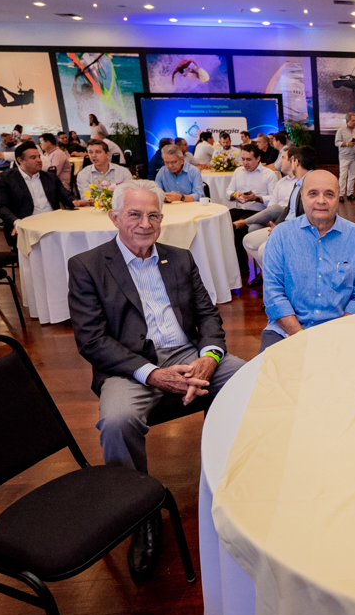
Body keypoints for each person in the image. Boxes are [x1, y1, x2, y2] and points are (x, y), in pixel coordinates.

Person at [67, 180, 245, 580]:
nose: (145, 224)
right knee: (117, 422)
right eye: (134, 214)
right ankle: (139, 513)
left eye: (153, 215)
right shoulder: (87, 266)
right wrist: (153, 374)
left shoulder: (179, 258)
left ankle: (236, 477)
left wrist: (210, 357)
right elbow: (92, 340)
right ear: (114, 217)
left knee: (249, 379)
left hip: (187, 354)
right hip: (129, 367)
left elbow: (208, 316)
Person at [260, 170, 355, 352]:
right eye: (313, 193)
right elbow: (273, 293)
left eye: (329, 194)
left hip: (342, 330)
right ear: (301, 197)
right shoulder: (280, 236)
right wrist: (301, 337)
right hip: (286, 332)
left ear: (338, 197)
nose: (321, 200)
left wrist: (338, 334)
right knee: (271, 370)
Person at [0, 141, 88, 245]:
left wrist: (75, 201)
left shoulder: (50, 177)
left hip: (53, 223)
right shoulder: (6, 178)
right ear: (20, 160)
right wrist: (17, 222)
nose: (39, 160)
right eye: (33, 158)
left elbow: (66, 196)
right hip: (26, 225)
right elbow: (0, 206)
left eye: (39, 157)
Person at [242, 145, 315, 272]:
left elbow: (309, 218)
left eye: (283, 158)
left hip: (296, 232)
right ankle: (272, 276)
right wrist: (277, 226)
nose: (280, 161)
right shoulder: (297, 182)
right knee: (248, 241)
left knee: (264, 249)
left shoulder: (310, 183)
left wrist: (281, 230)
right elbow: (288, 210)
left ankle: (279, 277)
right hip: (284, 225)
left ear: (295, 162)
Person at [227, 143, 277, 278]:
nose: (245, 163)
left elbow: (274, 199)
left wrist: (256, 198)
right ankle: (229, 265)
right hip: (240, 209)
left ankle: (242, 268)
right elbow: (228, 192)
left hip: (258, 213)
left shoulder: (269, 174)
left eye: (248, 159)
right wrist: (235, 195)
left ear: (258, 158)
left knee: (237, 230)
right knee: (222, 223)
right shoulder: (238, 172)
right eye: (243, 159)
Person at [336, 112, 355, 203]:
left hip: (354, 157)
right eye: (353, 120)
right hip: (344, 157)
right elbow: (337, 143)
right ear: (347, 121)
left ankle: (350, 194)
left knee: (352, 176)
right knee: (343, 176)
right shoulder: (341, 130)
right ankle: (341, 194)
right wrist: (347, 144)